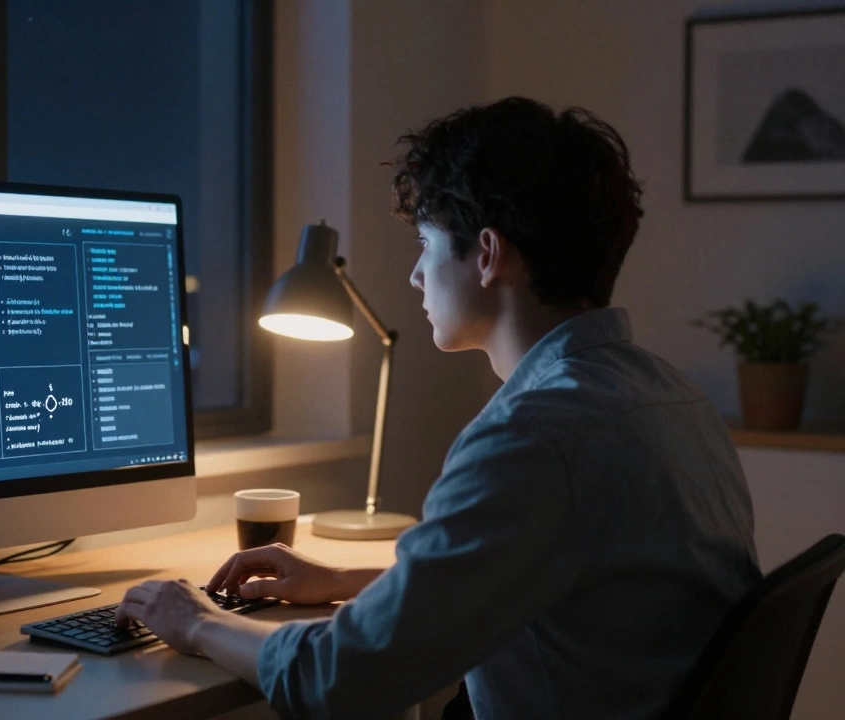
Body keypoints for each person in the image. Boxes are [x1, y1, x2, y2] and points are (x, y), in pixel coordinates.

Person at [114, 96, 762, 720]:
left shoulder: (531, 439)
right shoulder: (673, 399)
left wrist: (195, 621)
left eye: (426, 244)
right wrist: (343, 580)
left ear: (486, 255)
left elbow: (339, 678)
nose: (415, 277)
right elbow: (556, 586)